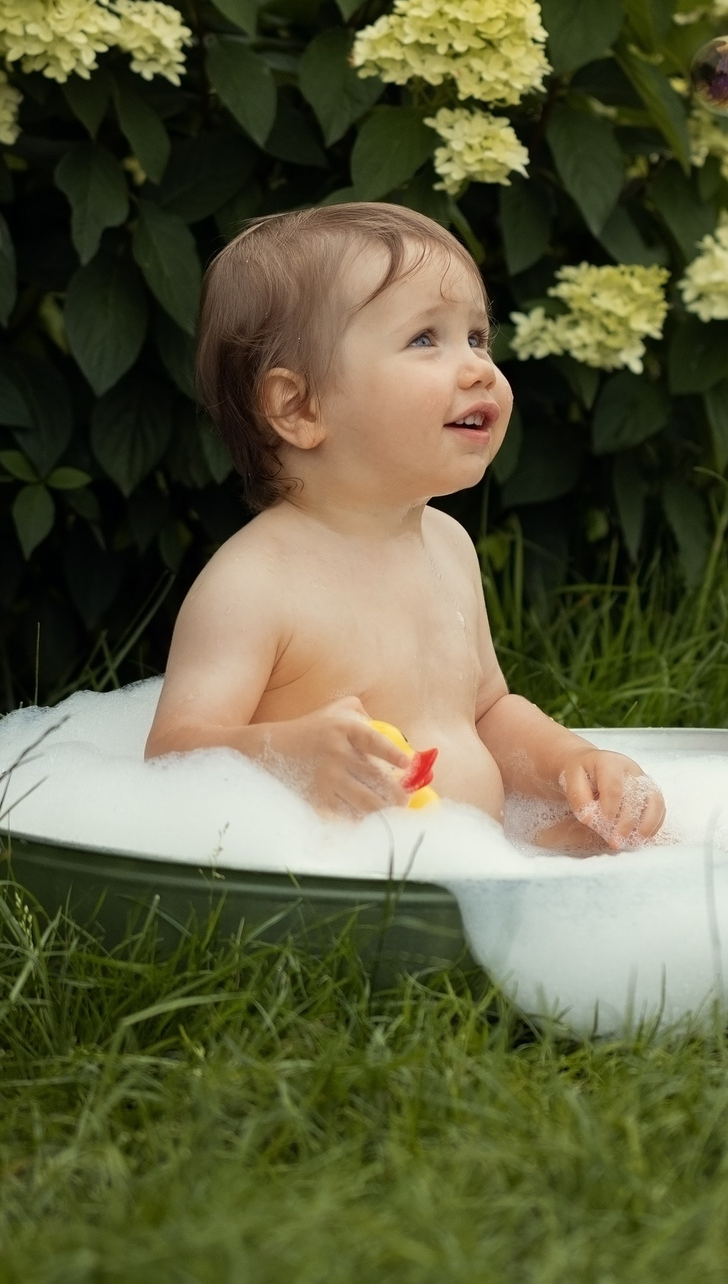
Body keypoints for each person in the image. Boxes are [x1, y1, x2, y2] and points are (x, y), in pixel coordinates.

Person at [144, 202, 666, 853]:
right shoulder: (254, 582)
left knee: (643, 849)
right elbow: (173, 760)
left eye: (476, 337)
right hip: (333, 876)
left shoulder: (448, 545)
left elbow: (486, 712)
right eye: (425, 339)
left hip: (469, 856)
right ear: (299, 407)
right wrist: (287, 755)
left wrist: (570, 762)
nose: (479, 368)